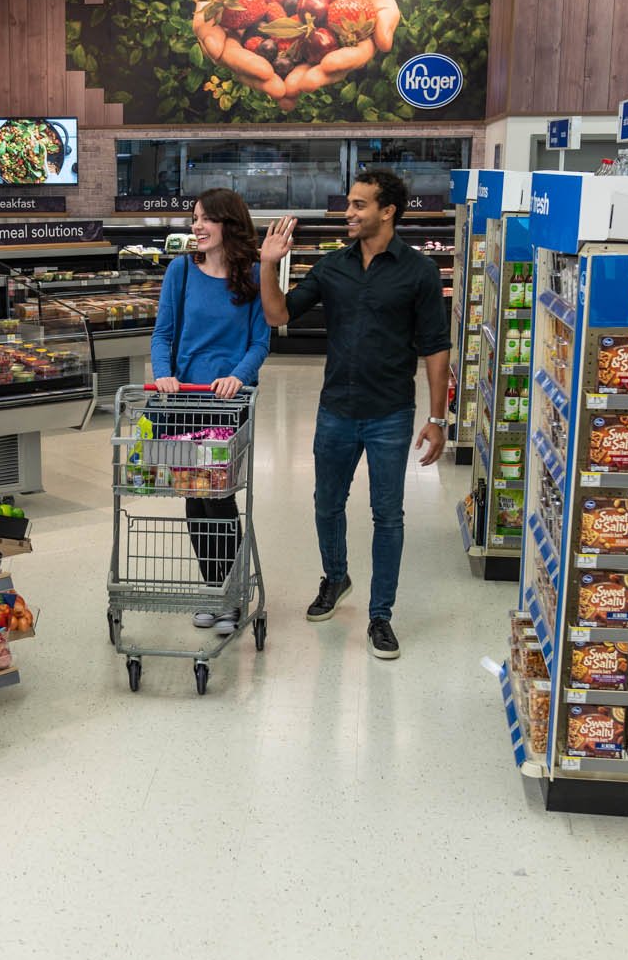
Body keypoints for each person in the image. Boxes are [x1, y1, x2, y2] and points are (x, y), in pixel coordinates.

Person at [259, 168, 449, 661]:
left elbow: (435, 348)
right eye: (349, 204)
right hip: (336, 409)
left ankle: (380, 615)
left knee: (388, 515)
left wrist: (438, 418)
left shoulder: (419, 272)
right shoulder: (331, 267)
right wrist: (268, 264)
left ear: (387, 211)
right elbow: (279, 315)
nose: (349, 212)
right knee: (327, 503)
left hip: (390, 412)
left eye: (359, 205)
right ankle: (335, 576)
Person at [152, 187, 270, 635]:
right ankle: (212, 587)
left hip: (228, 406)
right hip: (184, 403)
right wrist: (164, 373)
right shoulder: (180, 272)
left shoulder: (254, 275)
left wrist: (239, 375)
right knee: (194, 499)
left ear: (229, 225)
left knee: (220, 499)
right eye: (194, 219)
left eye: (206, 220)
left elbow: (261, 340)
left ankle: (231, 595)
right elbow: (162, 334)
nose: (196, 227)